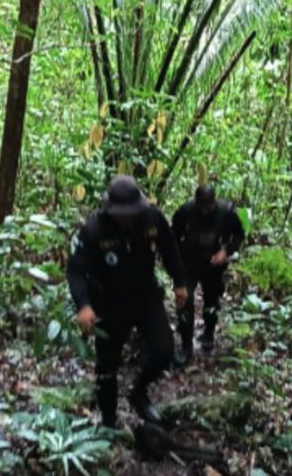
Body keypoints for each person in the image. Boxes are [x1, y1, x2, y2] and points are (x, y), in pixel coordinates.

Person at [66, 175, 188, 428]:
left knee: (164, 351)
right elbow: (76, 270)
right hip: (109, 304)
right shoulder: (94, 229)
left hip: (146, 297)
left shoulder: (153, 219)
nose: (126, 218)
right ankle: (109, 419)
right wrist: (84, 305)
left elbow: (170, 248)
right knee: (107, 368)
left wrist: (179, 282)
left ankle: (139, 393)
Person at [171, 185, 245, 365]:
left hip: (214, 264)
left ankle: (209, 333)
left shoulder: (226, 213)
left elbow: (239, 235)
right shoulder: (186, 211)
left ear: (214, 203)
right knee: (185, 300)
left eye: (208, 207)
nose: (205, 211)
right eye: (201, 207)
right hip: (189, 264)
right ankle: (186, 345)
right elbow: (172, 236)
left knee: (212, 299)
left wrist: (225, 251)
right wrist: (176, 264)